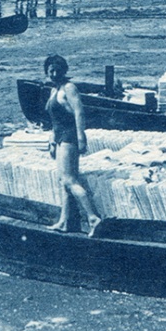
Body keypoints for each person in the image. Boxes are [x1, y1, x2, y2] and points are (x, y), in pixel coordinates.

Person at [43, 54, 101, 235]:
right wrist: (52, 140)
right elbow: (54, 120)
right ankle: (63, 222)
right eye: (50, 70)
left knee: (69, 180)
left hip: (69, 137)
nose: (53, 74)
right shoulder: (54, 90)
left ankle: (93, 218)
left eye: (57, 70)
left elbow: (79, 112)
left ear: (64, 71)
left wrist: (81, 136)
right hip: (60, 137)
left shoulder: (69, 88)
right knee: (63, 182)